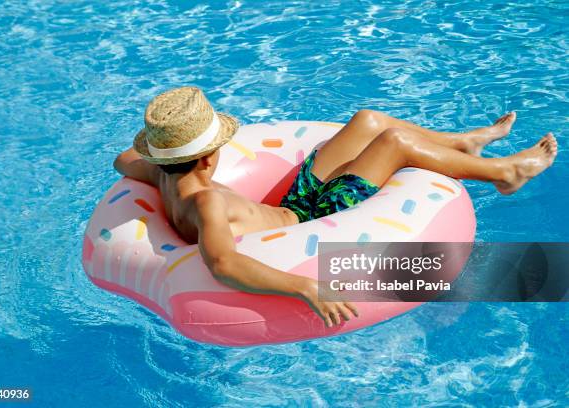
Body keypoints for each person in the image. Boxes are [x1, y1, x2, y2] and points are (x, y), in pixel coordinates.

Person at [114, 86, 557, 327]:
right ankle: (504, 174)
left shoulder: (160, 177)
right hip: (317, 219)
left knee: (368, 120)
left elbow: (123, 160)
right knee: (393, 142)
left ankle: (461, 143)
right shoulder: (207, 201)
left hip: (294, 204)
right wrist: (306, 287)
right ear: (211, 156)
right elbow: (224, 263)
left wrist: (164, 154)